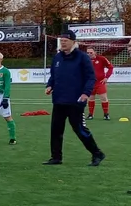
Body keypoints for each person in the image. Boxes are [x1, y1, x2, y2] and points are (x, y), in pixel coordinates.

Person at [44, 31, 106, 166]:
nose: (63, 43)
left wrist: (86, 93)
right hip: (59, 100)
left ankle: (97, 153)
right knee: (56, 130)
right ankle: (56, 157)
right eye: (62, 41)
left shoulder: (82, 57)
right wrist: (49, 85)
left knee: (80, 130)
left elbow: (91, 77)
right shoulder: (57, 58)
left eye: (65, 41)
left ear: (73, 42)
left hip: (76, 101)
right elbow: (53, 76)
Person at [86, 47, 113, 120]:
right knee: (90, 98)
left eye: (91, 52)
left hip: (100, 82)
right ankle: (90, 114)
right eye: (87, 53)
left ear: (95, 52)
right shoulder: (85, 60)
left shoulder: (102, 59)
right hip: (90, 82)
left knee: (103, 98)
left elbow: (110, 67)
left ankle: (106, 114)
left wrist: (106, 77)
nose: (89, 54)